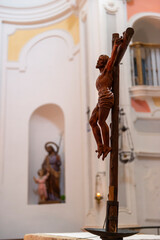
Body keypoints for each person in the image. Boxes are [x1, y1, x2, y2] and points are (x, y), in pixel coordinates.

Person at [89, 38, 123, 160]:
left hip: (106, 97)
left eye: (100, 60)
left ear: (104, 63)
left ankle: (107, 146)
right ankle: (100, 145)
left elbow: (112, 60)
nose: (98, 61)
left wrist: (115, 46)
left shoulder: (107, 72)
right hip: (101, 98)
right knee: (92, 121)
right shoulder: (100, 75)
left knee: (101, 122)